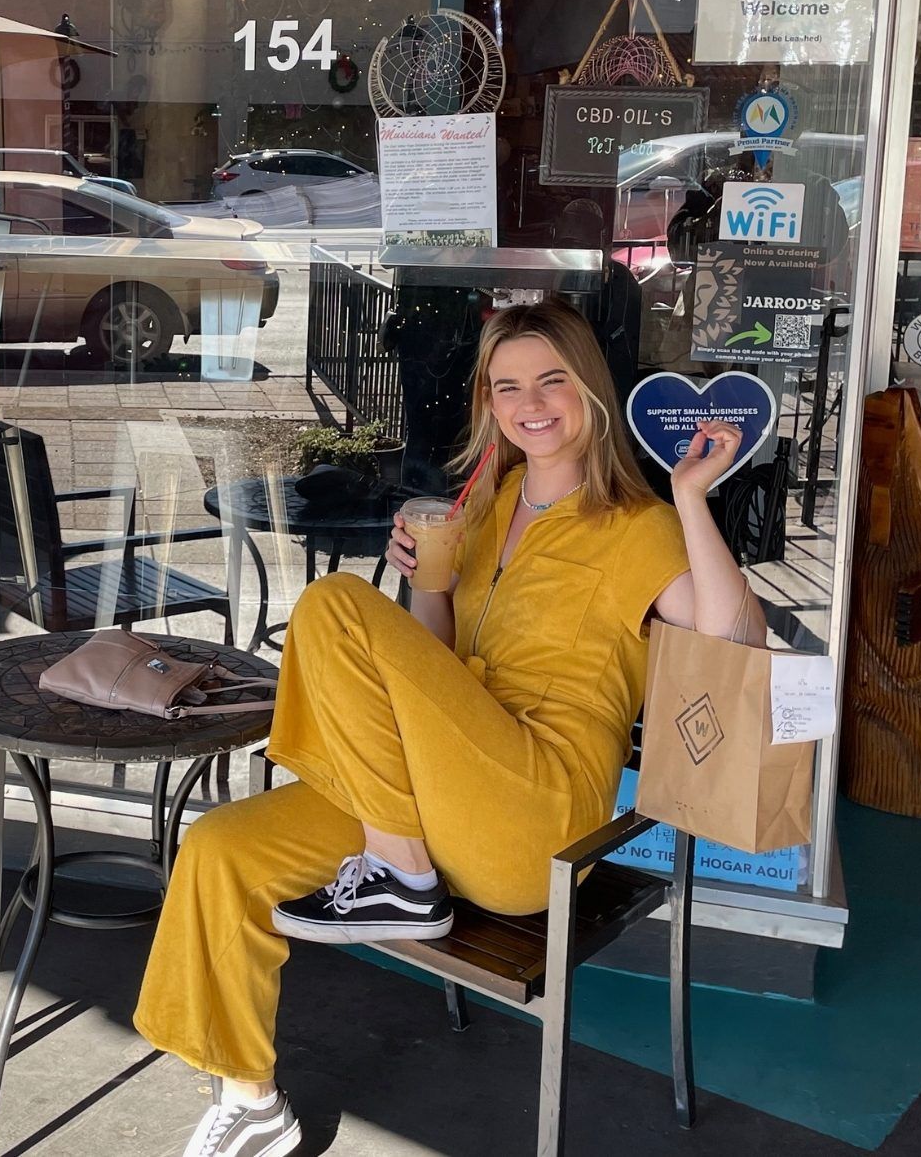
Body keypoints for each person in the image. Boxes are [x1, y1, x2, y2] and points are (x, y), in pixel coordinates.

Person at [132, 300, 764, 1157]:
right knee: (220, 847)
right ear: (487, 401)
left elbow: (735, 640)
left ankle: (397, 872)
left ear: (590, 389)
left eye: (552, 379)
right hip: (439, 800)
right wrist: (426, 581)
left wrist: (690, 496)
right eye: (507, 385)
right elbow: (436, 667)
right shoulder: (491, 502)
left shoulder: (637, 525)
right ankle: (250, 1099)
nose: (530, 401)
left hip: (536, 814)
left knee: (331, 605)